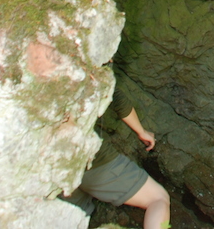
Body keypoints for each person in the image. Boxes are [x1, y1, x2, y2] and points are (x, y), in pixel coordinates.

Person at [63, 87, 171, 229]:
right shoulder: (85, 70)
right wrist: (141, 131)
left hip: (47, 168)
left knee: (70, 216)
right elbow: (116, 97)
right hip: (93, 161)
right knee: (158, 198)